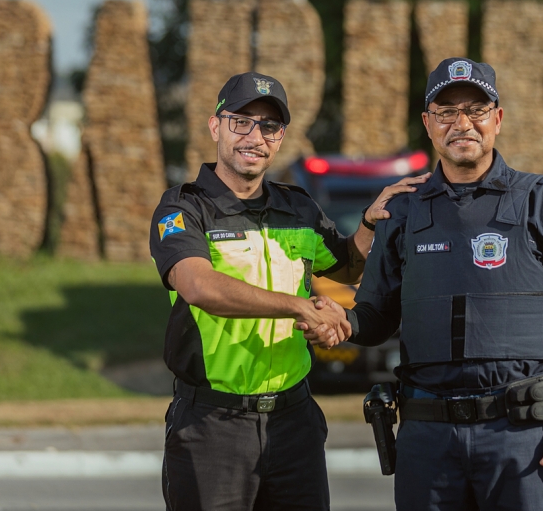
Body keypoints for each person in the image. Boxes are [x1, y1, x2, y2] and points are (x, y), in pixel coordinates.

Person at [308, 57, 543, 510]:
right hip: (429, 439)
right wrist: (343, 323)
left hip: (522, 438)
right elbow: (375, 317)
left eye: (476, 110)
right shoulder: (402, 211)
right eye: (446, 112)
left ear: (498, 120)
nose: (462, 124)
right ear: (428, 124)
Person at [149, 71, 428, 511]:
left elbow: (345, 265)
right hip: (212, 424)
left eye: (269, 126)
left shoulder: (299, 207)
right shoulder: (182, 208)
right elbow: (198, 286)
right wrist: (297, 306)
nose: (254, 136)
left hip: (294, 420)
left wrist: (371, 222)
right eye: (241, 121)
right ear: (215, 125)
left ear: (280, 139)